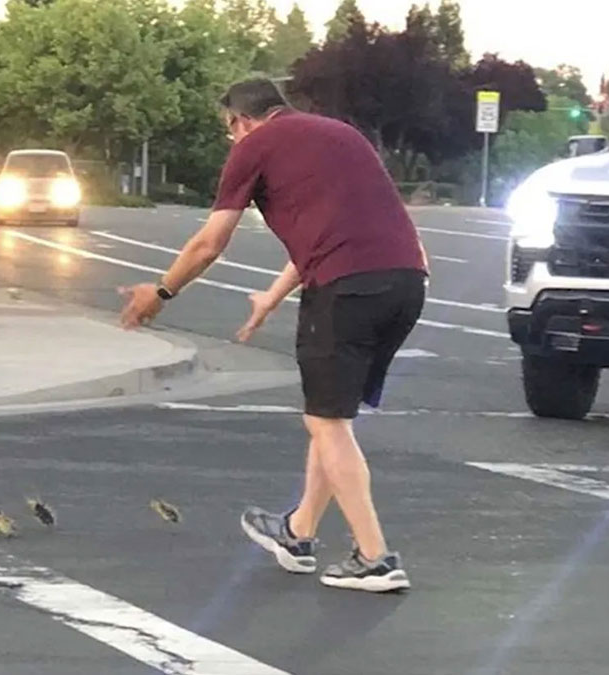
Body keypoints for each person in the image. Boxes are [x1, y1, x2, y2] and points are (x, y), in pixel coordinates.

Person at [118, 78, 428, 593]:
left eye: (229, 130)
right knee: (333, 417)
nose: (231, 140)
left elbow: (209, 244)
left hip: (346, 290)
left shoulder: (254, 146)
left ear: (240, 120)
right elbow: (337, 229)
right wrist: (272, 295)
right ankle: (299, 530)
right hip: (406, 283)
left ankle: (374, 557)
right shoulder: (341, 135)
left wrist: (162, 293)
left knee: (327, 423)